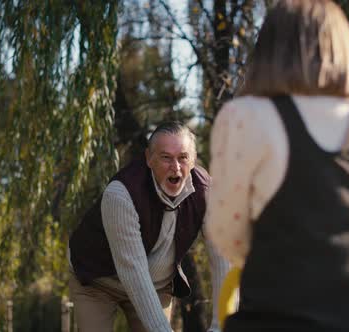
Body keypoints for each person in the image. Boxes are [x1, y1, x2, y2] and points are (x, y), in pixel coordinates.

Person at [205, 0, 349, 331]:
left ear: (268, 51)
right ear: (346, 47)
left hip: (277, 314)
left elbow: (225, 229)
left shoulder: (245, 117)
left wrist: (269, 257)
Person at [68, 121, 229, 332]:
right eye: (166, 157)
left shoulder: (207, 192)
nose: (176, 167)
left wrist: (220, 325)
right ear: (149, 159)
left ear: (193, 160)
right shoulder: (120, 195)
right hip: (97, 281)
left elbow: (223, 258)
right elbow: (134, 275)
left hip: (157, 284)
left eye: (183, 157)